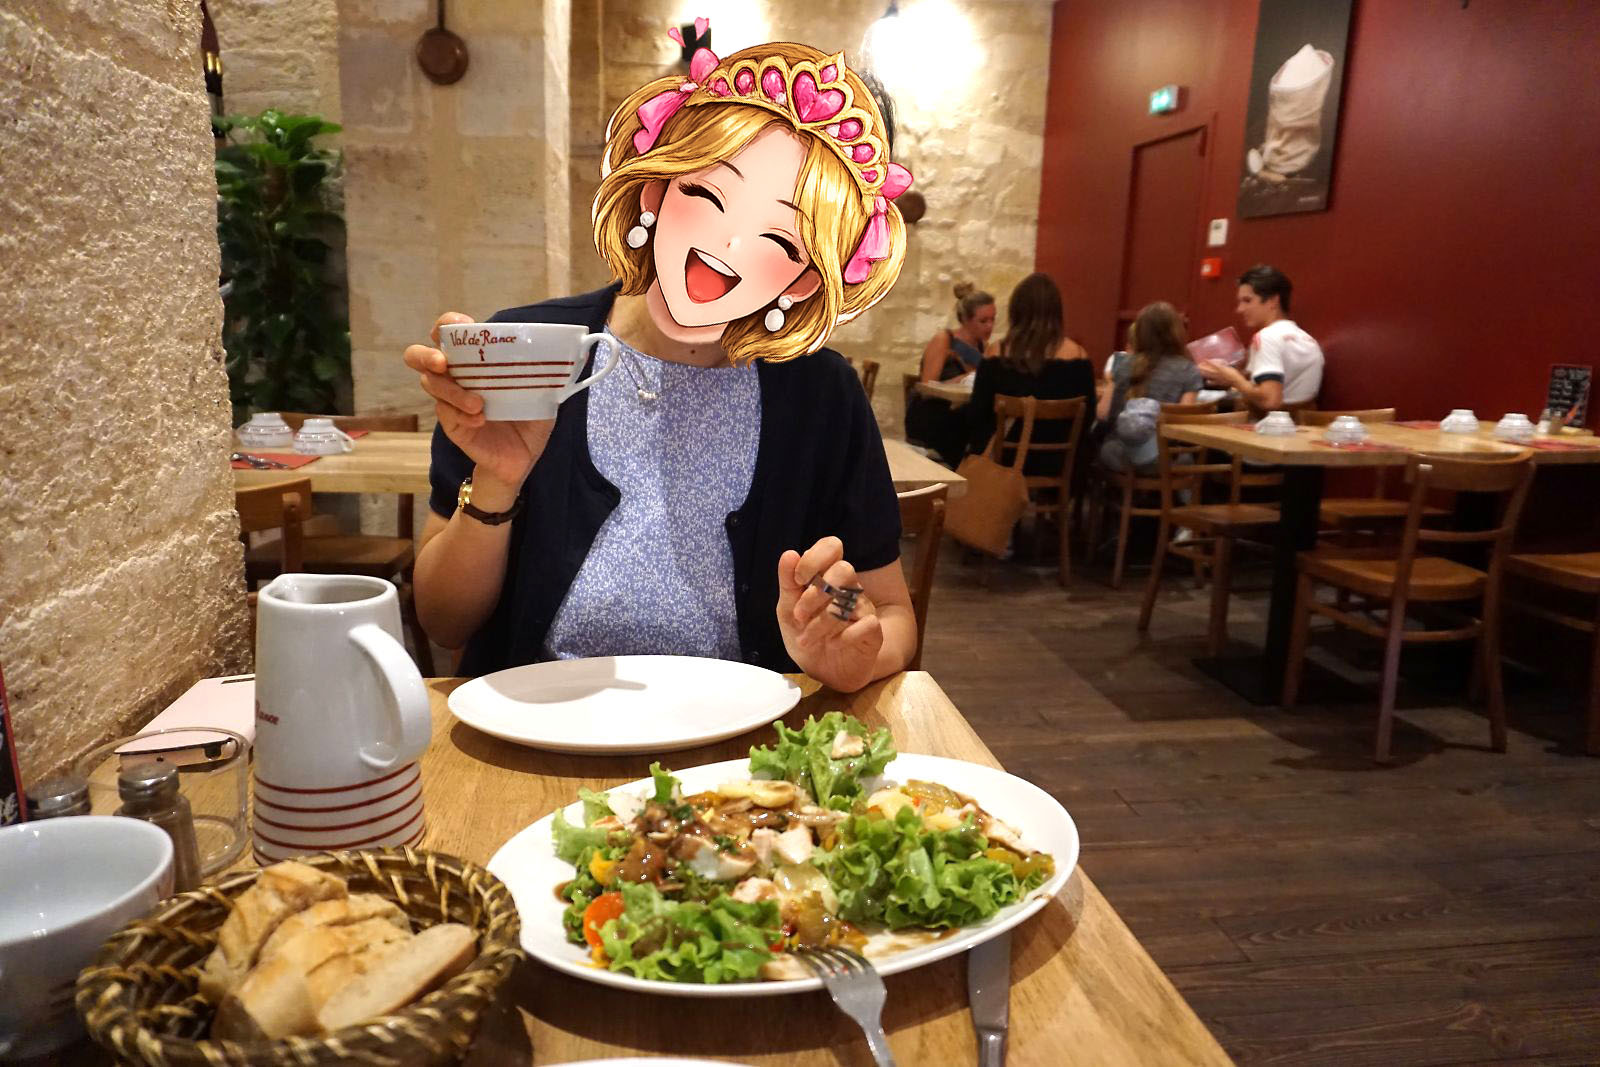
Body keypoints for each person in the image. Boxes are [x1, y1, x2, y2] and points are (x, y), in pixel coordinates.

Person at [402, 28, 920, 694]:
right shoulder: (526, 352)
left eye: (787, 232)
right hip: (536, 734)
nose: (732, 241)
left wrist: (847, 641)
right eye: (714, 191)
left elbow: (889, 613)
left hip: (739, 744)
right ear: (662, 182)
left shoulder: (822, 396)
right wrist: (497, 484)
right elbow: (444, 621)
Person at [967, 273, 1095, 477]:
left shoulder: (997, 353)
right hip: (1061, 464)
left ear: (1016, 310)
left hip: (1004, 463)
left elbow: (978, 414)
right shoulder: (1078, 356)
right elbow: (1088, 417)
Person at [1198, 263, 1324, 412]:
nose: (1240, 309)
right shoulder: (1308, 340)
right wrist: (1230, 375)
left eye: (1247, 300)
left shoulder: (1266, 337)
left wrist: (1233, 378)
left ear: (1272, 301)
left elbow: (1270, 400)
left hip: (1265, 423)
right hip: (1302, 423)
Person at [1097, 302, 1204, 473]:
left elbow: (1103, 413)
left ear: (1139, 332)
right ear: (1177, 332)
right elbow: (1184, 423)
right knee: (1187, 458)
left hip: (1120, 456)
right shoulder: (1188, 370)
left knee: (1104, 447)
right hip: (1165, 461)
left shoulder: (1122, 365)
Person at [906, 282, 994, 465]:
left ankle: (979, 473)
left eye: (993, 320)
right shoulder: (945, 339)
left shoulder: (983, 347)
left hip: (960, 413)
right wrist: (964, 378)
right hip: (933, 414)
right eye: (983, 321)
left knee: (989, 423)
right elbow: (926, 387)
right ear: (966, 320)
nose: (990, 326)